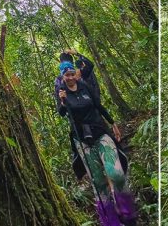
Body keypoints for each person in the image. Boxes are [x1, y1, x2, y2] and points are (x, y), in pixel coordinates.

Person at [57, 65, 137, 225]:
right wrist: (63, 102)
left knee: (116, 174)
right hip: (82, 140)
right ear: (63, 77)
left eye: (72, 73)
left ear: (75, 74)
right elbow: (62, 112)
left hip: (100, 133)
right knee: (99, 183)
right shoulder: (61, 92)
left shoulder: (84, 86)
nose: (71, 77)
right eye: (67, 75)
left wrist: (112, 122)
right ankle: (110, 221)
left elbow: (98, 105)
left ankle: (128, 215)